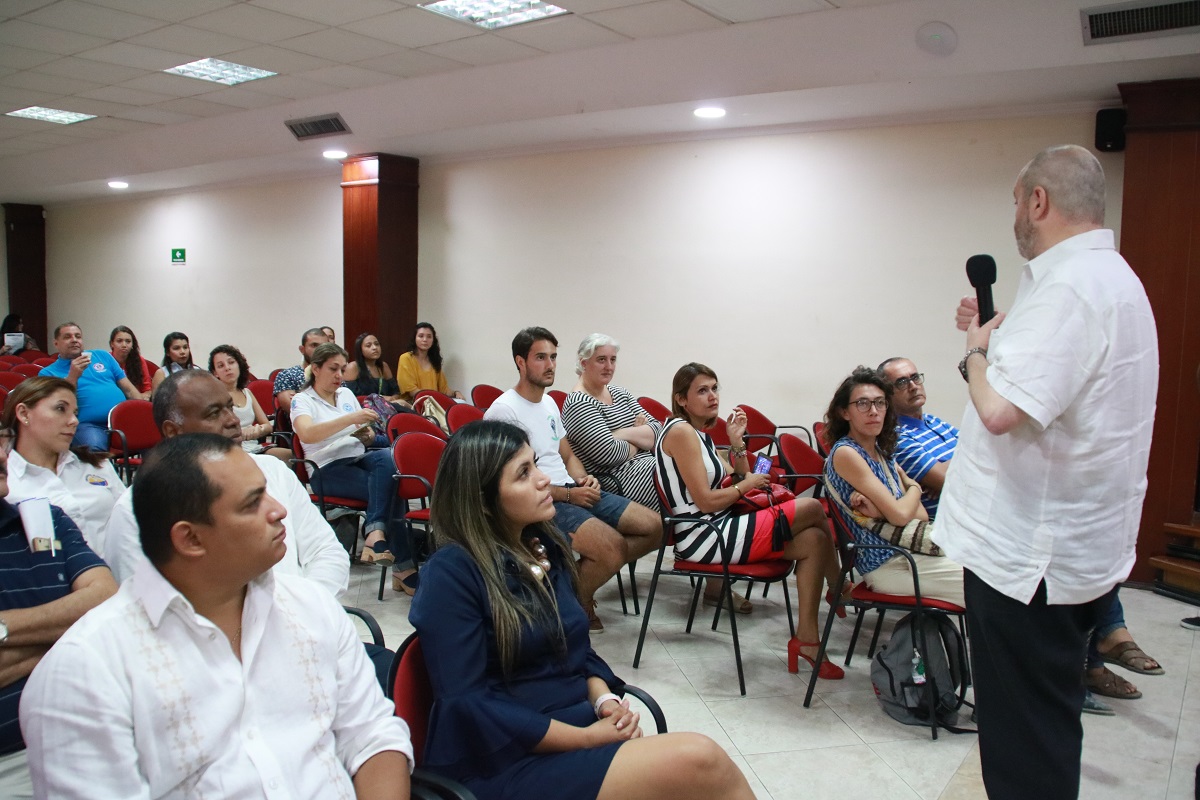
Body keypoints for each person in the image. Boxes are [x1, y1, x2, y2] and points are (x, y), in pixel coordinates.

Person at [936, 144, 1158, 799]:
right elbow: (1053, 392)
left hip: (1028, 562)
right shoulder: (1111, 280)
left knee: (1022, 740)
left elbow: (1001, 408)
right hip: (1067, 552)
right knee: (1044, 725)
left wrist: (974, 352)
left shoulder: (1071, 286)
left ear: (1039, 201)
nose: (1015, 217)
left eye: (1016, 202)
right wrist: (995, 336)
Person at [20, 434, 413, 799]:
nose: (278, 511)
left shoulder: (309, 605)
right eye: (252, 502)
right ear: (189, 538)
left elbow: (373, 737)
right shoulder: (85, 672)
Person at [410, 420, 753, 800]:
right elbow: (468, 703)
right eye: (523, 474)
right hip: (502, 759)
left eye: (536, 464)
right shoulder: (452, 573)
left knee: (694, 777)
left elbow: (573, 647)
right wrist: (584, 738)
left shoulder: (541, 545)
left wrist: (602, 698)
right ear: (483, 502)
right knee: (702, 760)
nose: (544, 480)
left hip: (570, 723)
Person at [879, 356, 1160, 713]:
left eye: (915, 376)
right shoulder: (898, 436)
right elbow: (953, 477)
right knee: (1044, 567)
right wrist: (968, 465)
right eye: (901, 382)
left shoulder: (934, 422)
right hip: (960, 526)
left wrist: (970, 464)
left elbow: (984, 460)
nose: (914, 385)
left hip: (989, 512)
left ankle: (1098, 653)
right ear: (888, 395)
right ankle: (1088, 660)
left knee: (1074, 542)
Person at [658, 362, 844, 677]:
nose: (712, 396)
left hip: (721, 526)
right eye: (702, 391)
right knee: (812, 507)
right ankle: (840, 586)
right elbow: (706, 500)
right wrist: (747, 485)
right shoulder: (680, 432)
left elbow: (743, 474)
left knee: (814, 540)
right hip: (704, 537)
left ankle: (807, 640)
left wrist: (736, 443)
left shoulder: (698, 434)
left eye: (715, 388)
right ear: (681, 399)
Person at [101, 370, 349, 600]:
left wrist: (303, 612)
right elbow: (150, 607)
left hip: (303, 623)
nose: (232, 421)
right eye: (213, 413)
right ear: (173, 432)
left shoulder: (272, 470)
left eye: (230, 408)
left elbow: (327, 552)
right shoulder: (136, 510)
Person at [484, 327, 660, 632]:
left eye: (553, 357)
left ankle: (565, 585)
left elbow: (566, 454)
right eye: (541, 357)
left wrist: (583, 478)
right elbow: (510, 483)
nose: (550, 364)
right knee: (612, 548)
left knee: (654, 527)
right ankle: (574, 601)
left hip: (572, 490)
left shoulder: (549, 403)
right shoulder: (504, 410)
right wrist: (568, 496)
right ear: (520, 362)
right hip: (542, 500)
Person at [0, 431, 117, 800]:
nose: (1, 456)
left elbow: (106, 598)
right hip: (10, 763)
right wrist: (69, 635)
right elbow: (94, 625)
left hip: (92, 734)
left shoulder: (44, 518)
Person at [821, 366, 965, 607]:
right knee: (986, 587)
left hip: (910, 552)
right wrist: (914, 489)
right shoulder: (847, 453)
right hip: (889, 564)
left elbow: (919, 515)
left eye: (880, 403)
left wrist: (899, 502)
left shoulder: (881, 451)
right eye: (863, 404)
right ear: (844, 412)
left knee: (990, 570)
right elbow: (900, 515)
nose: (874, 411)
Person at [291, 343, 419, 593]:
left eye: (342, 369)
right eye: (333, 369)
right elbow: (307, 433)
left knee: (387, 458)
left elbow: (360, 431)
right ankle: (403, 568)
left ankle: (376, 535)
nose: (339, 375)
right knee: (393, 487)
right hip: (326, 468)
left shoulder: (346, 395)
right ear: (315, 369)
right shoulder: (302, 400)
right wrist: (351, 419)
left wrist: (368, 434)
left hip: (358, 455)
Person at [1, 377, 125, 552]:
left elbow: (129, 519)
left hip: (120, 575)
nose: (74, 421)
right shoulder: (8, 483)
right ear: (24, 414)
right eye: (61, 409)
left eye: (75, 412)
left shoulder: (98, 465)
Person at [561, 333, 661, 508]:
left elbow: (658, 430)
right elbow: (609, 453)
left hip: (648, 466)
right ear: (584, 363)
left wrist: (620, 433)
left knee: (699, 466)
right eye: (601, 360)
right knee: (688, 476)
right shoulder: (579, 403)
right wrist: (639, 438)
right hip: (622, 480)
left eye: (613, 360)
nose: (609, 367)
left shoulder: (619, 392)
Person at [38, 322, 147, 450]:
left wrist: (144, 413)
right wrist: (73, 375)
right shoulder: (47, 373)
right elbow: (60, 406)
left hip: (123, 420)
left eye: (78, 336)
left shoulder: (103, 356)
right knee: (94, 450)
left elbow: (128, 389)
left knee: (156, 439)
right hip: (89, 425)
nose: (74, 340)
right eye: (67, 337)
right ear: (56, 343)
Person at [209, 344, 288, 461]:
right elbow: (214, 432)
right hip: (230, 450)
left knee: (291, 457)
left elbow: (267, 426)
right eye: (220, 366)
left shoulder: (247, 392)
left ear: (239, 365)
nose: (227, 368)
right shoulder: (215, 396)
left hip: (254, 447)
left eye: (231, 362)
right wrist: (240, 433)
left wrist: (257, 430)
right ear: (215, 373)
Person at [395, 322, 464, 402]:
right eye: (421, 336)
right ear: (415, 338)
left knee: (461, 404)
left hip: (433, 403)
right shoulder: (406, 358)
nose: (425, 340)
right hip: (414, 404)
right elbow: (411, 391)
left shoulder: (434, 360)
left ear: (433, 340)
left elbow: (444, 389)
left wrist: (456, 393)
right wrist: (434, 398)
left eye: (429, 337)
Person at [273, 327, 329, 411]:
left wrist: (304, 399)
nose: (319, 350)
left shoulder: (334, 375)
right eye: (314, 345)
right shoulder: (287, 375)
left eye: (323, 346)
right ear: (302, 349)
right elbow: (296, 410)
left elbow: (344, 406)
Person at [344, 332, 403, 402]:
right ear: (360, 350)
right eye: (368, 346)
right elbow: (349, 396)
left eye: (377, 344)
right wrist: (381, 398)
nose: (374, 348)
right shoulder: (353, 367)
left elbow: (396, 391)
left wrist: (393, 398)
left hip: (387, 406)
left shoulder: (383, 366)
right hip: (363, 408)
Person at [108, 326, 156, 396]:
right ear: (112, 344)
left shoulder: (139, 360)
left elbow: (147, 389)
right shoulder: (106, 359)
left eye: (128, 341)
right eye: (119, 341)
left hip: (134, 400)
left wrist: (142, 398)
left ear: (132, 344)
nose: (124, 345)